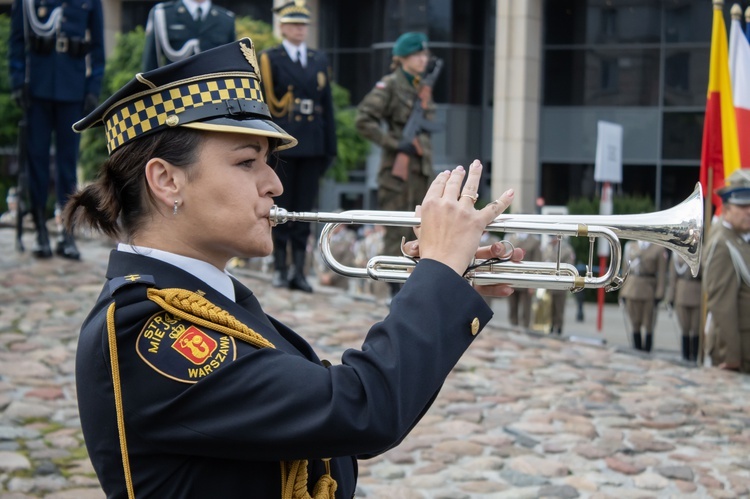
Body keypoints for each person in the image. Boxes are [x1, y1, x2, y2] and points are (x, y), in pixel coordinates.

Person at [62, 38, 523, 497]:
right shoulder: (144, 327)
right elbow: (359, 408)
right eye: (247, 162)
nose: (276, 184)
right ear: (166, 180)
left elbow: (332, 435)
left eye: (269, 162)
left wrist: (445, 285)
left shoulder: (214, 300)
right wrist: (438, 274)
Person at [9, 0, 105, 259]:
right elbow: (17, 40)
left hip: (72, 89)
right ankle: (41, 228)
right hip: (37, 89)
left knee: (67, 163)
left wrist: (93, 87)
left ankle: (67, 231)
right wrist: (17, 80)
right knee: (36, 159)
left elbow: (97, 47)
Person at [259, 1, 337, 293]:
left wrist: (330, 146)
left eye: (303, 25)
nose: (299, 30)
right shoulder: (271, 58)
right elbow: (266, 104)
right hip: (284, 142)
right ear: (282, 27)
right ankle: (280, 267)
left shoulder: (318, 59)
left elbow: (326, 105)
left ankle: (298, 271)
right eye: (293, 25)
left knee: (304, 211)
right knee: (280, 208)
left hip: (313, 142)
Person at [355, 32, 437, 302]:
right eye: (418, 55)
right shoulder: (390, 85)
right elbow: (364, 119)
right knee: (396, 231)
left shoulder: (421, 88)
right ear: (402, 58)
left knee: (422, 230)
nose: (423, 59)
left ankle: (414, 290)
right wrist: (394, 143)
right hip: (397, 173)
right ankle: (394, 291)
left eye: (425, 55)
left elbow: (429, 125)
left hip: (420, 171)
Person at [703, 169, 750, 373]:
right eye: (742, 205)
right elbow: (721, 305)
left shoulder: (739, 239)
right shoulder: (722, 243)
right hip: (736, 354)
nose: (749, 211)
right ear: (727, 208)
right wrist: (731, 356)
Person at [142, 0, 236, 71]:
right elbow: (151, 63)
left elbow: (231, 65)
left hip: (215, 92)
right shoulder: (163, 14)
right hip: (175, 91)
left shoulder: (226, 19)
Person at [619, 240, 668, 352]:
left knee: (649, 323)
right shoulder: (630, 246)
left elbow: (661, 273)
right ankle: (637, 349)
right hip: (631, 288)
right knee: (634, 322)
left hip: (648, 289)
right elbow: (625, 270)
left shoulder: (658, 248)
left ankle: (647, 350)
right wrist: (622, 291)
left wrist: (660, 293)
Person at [667, 252, 702, 363]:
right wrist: (670, 298)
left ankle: (695, 357)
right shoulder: (677, 254)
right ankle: (685, 356)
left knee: (696, 328)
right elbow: (672, 278)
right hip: (681, 293)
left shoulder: (702, 252)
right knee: (685, 327)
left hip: (697, 293)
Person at [541, 236, 576, 335]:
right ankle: (550, 326)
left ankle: (559, 328)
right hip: (548, 284)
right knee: (548, 308)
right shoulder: (547, 248)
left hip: (560, 284)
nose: (551, 239)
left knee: (559, 308)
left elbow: (570, 266)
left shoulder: (567, 249)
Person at [506, 232, 542, 328]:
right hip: (511, 279)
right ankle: (513, 329)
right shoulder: (511, 239)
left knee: (526, 310)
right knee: (512, 309)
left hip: (526, 280)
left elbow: (537, 263)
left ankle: (525, 331)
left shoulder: (534, 241)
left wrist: (533, 284)